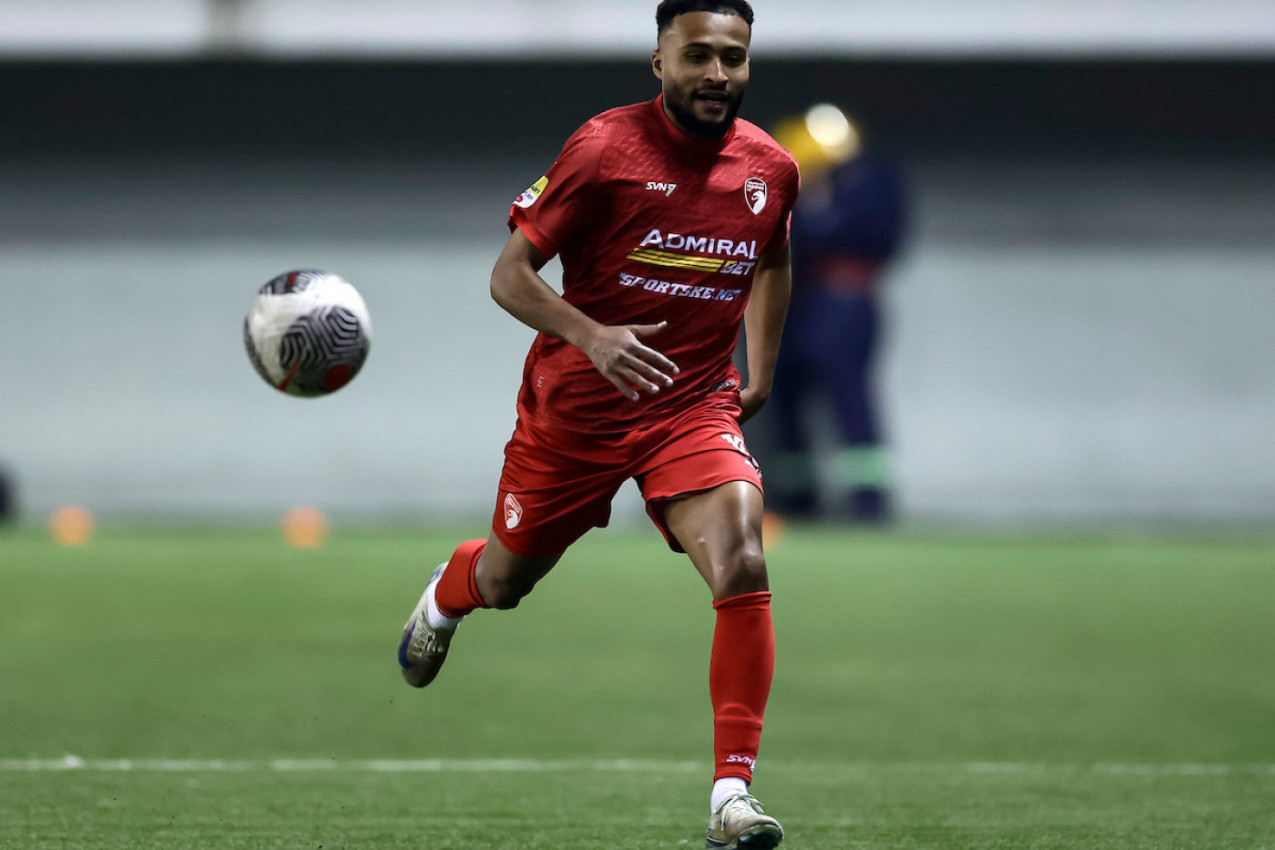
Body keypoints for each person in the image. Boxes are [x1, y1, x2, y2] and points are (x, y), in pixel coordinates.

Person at [396, 2, 797, 847]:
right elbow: (509, 276)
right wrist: (591, 335)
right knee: (506, 581)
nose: (716, 74)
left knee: (742, 556)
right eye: (697, 55)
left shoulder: (770, 167)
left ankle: (731, 797)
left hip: (689, 405)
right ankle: (448, 591)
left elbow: (773, 256)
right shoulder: (604, 149)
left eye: (733, 58)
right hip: (576, 412)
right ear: (659, 62)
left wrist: (759, 370)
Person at [758, 104, 908, 523]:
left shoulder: (871, 181)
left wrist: (820, 214)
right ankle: (796, 498)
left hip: (845, 303)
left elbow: (877, 237)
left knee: (848, 391)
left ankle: (868, 501)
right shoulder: (793, 187)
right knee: (783, 394)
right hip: (795, 303)